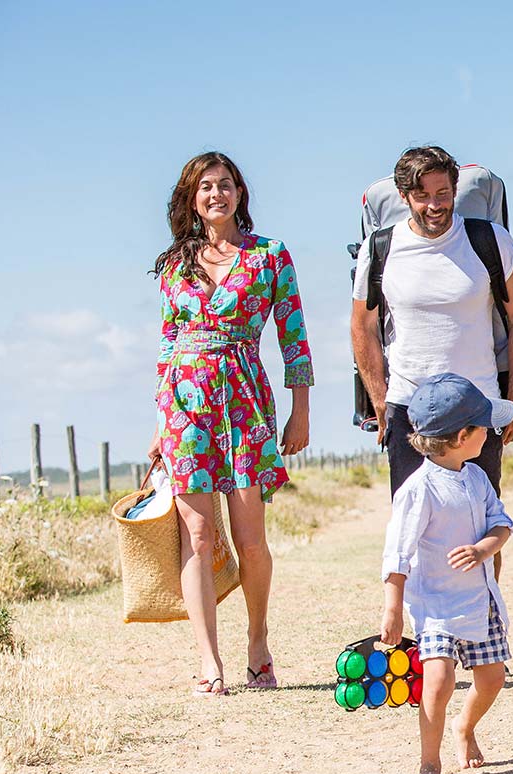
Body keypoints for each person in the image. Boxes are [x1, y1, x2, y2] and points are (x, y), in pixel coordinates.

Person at [149, 151, 313, 697]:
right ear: (192, 199)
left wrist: (300, 410)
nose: (215, 194)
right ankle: (208, 662)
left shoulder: (269, 256)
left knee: (251, 539)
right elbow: (168, 344)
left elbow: (294, 336)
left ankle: (258, 643)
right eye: (204, 187)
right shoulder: (176, 264)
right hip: (183, 405)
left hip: (243, 397)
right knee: (196, 535)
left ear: (239, 193)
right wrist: (158, 422)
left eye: (224, 185)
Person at [349, 145, 513, 506]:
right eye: (422, 196)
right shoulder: (380, 247)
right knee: (415, 524)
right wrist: (379, 400)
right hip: (408, 406)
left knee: (483, 523)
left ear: (454, 190)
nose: (434, 205)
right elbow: (363, 326)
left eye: (443, 194)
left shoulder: (491, 241)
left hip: (478, 405)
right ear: (404, 196)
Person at [378, 373, 513, 774]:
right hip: (436, 605)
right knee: (438, 681)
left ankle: (465, 725)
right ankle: (429, 763)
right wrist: (392, 608)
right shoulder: (418, 490)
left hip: (479, 598)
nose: (490, 434)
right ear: (462, 435)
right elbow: (397, 553)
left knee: (493, 679)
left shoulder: (476, 478)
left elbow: (502, 523)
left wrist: (483, 550)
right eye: (484, 427)